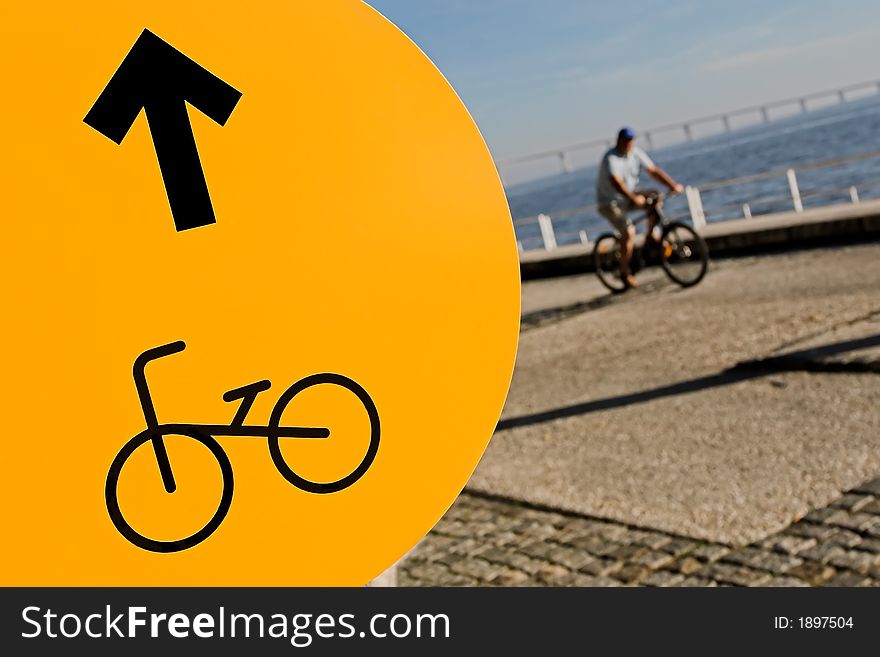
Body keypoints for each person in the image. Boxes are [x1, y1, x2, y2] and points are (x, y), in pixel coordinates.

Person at [596, 127, 684, 288]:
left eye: (631, 141)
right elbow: (616, 182)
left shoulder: (636, 153)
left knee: (654, 198)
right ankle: (625, 272)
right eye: (625, 141)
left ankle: (650, 235)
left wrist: (673, 185)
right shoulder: (611, 159)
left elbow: (653, 171)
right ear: (618, 141)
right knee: (628, 233)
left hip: (627, 196)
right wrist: (633, 198)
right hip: (609, 202)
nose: (628, 144)